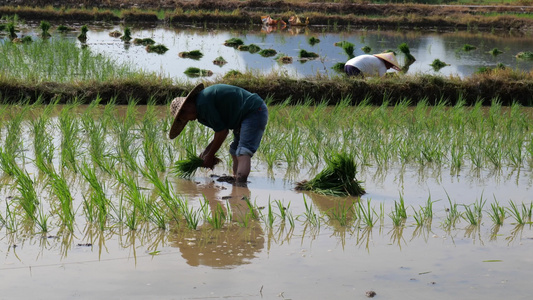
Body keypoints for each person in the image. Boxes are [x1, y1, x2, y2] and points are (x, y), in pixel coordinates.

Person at [168, 83, 268, 185]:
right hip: (242, 117)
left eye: (184, 118)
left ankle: (241, 187)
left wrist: (210, 155)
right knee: (234, 151)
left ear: (186, 107)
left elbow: (222, 132)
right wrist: (206, 153)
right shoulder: (200, 111)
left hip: (253, 111)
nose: (188, 120)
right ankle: (236, 180)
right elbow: (221, 131)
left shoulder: (203, 104)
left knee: (243, 151)